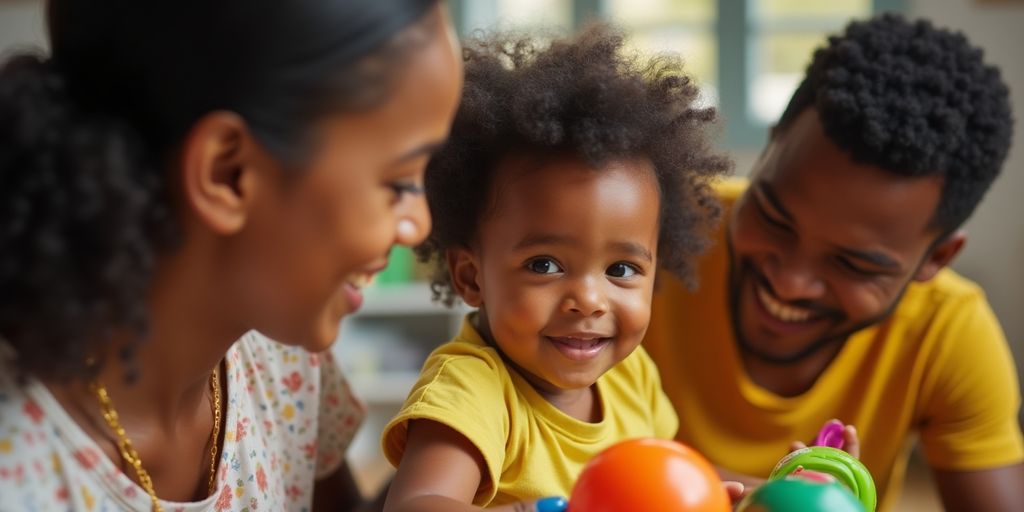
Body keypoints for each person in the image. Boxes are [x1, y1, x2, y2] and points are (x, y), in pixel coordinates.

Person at [0, 1, 462, 511]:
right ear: (228, 173)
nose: (419, 224)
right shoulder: (22, 470)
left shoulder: (282, 364)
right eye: (397, 181)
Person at [643, 13, 1024, 511]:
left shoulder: (945, 332)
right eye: (775, 220)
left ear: (937, 258)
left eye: (854, 265)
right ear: (769, 148)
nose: (790, 282)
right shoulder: (645, 239)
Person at [379, 24, 736, 512]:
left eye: (622, 269)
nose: (588, 300)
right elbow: (416, 504)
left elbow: (675, 478)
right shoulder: (473, 389)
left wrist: (772, 486)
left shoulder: (631, 376)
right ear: (471, 276)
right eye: (544, 264)